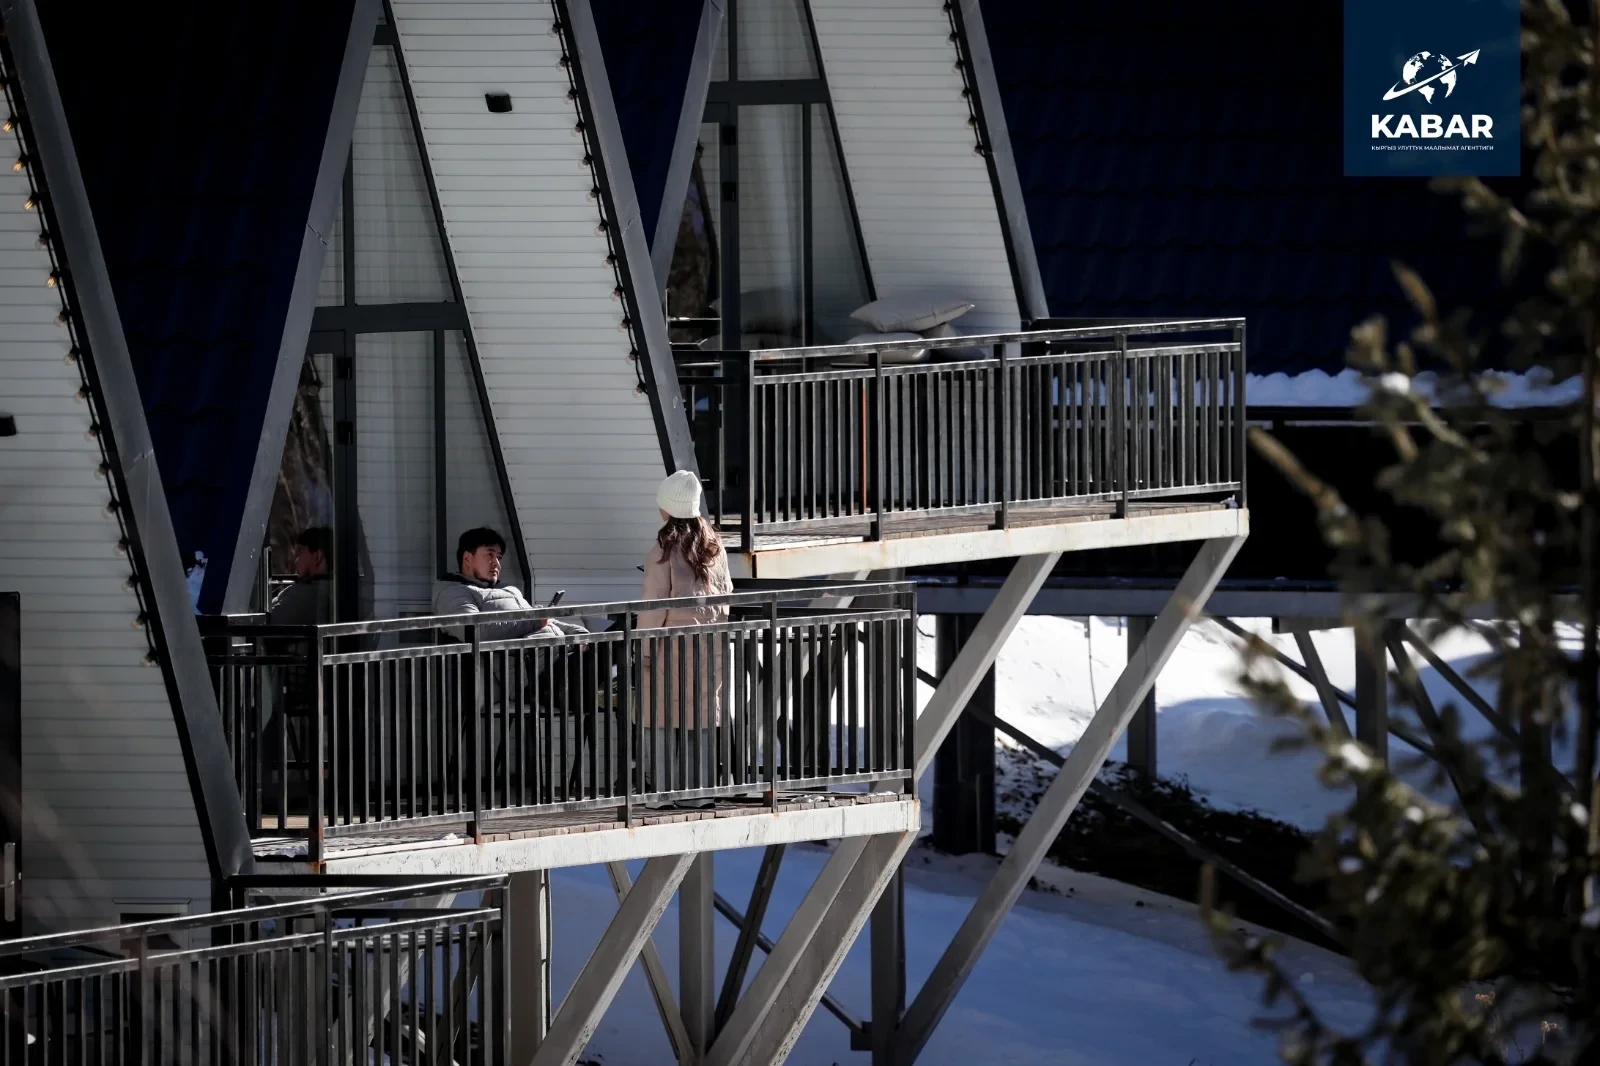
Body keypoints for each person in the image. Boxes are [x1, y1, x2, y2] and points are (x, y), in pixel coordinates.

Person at [638, 471, 733, 804]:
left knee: (660, 715)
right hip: (709, 642)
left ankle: (661, 792)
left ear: (668, 507)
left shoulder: (662, 550)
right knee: (700, 716)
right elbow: (726, 594)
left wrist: (643, 649)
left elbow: (653, 606)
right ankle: (698, 792)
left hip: (669, 645)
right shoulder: (714, 547)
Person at [433, 528, 584, 641]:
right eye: (490, 555)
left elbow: (543, 620)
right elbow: (475, 631)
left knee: (596, 647)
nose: (497, 564)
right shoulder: (454, 593)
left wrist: (578, 633)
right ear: (467, 558)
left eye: (499, 557)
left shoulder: (509, 589)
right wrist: (535, 620)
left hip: (556, 653)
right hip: (527, 667)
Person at [267, 527, 333, 626]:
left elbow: (266, 622)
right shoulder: (332, 590)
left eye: (300, 551)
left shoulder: (308, 594)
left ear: (317, 556)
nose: (296, 560)